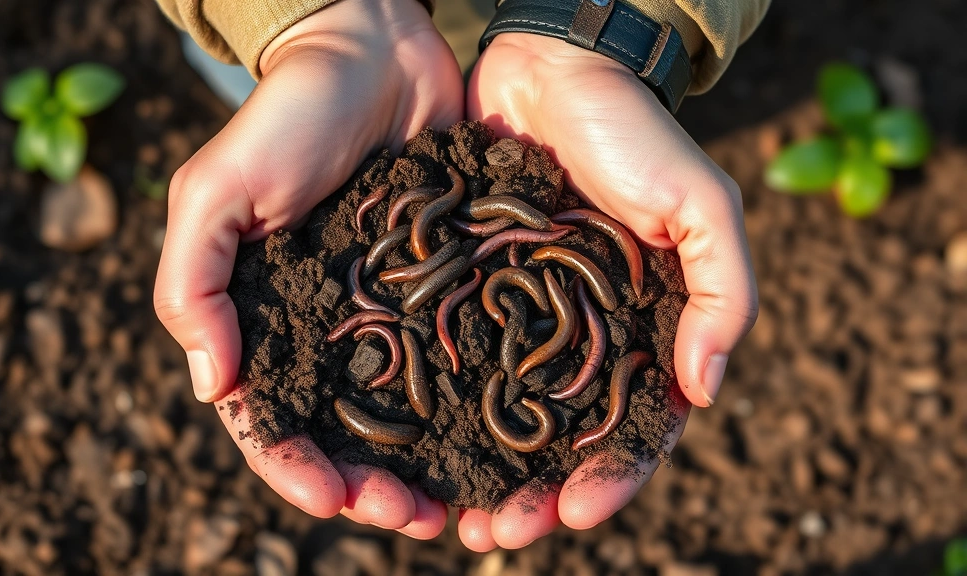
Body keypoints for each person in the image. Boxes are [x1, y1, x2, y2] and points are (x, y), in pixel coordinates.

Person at [152, 0, 766, 551]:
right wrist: (317, 25)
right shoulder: (402, 269)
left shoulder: (501, 275)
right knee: (247, 66)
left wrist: (608, 29)